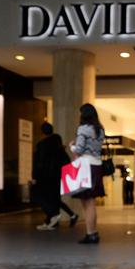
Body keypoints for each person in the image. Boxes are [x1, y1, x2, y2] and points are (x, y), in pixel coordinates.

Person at [31, 121, 78, 231]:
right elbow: (67, 161)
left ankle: (54, 218)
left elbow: (39, 163)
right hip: (58, 177)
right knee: (55, 199)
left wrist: (35, 177)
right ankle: (52, 221)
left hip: (45, 177)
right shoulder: (58, 145)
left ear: (42, 132)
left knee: (39, 196)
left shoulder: (42, 145)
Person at [69, 103, 105, 244]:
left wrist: (71, 145)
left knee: (87, 203)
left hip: (86, 167)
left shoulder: (83, 129)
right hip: (97, 166)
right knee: (91, 202)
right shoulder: (100, 130)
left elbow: (79, 149)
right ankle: (93, 232)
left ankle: (91, 234)